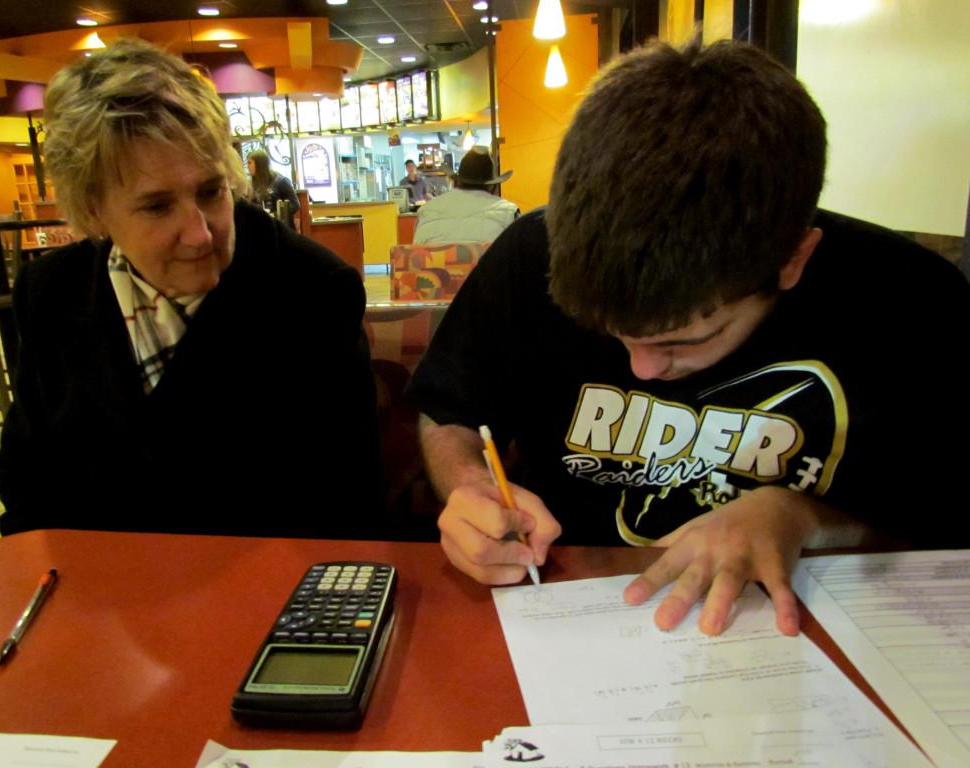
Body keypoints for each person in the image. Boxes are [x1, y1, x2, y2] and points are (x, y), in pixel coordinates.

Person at [407, 38, 970, 636]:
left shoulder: (911, 301)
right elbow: (450, 412)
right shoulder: (528, 257)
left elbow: (939, 528)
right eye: (611, 334)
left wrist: (802, 518)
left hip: (828, 633)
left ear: (792, 261)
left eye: (682, 341)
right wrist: (469, 487)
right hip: (572, 619)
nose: (643, 368)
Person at [0, 39, 384, 538]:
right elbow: (27, 483)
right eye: (157, 206)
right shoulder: (52, 291)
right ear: (92, 210)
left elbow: (343, 508)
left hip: (259, 597)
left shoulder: (310, 291)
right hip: (101, 593)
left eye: (210, 191)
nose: (201, 232)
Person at [414, 147, 519, 244]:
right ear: (492, 186)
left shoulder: (426, 211)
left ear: (455, 181)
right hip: (490, 265)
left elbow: (415, 255)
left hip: (435, 264)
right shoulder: (508, 212)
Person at [247, 149, 300, 230]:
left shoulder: (281, 181)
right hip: (261, 229)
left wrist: (277, 214)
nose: (248, 166)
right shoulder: (252, 183)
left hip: (281, 229)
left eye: (250, 163)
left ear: (259, 164)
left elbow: (295, 204)